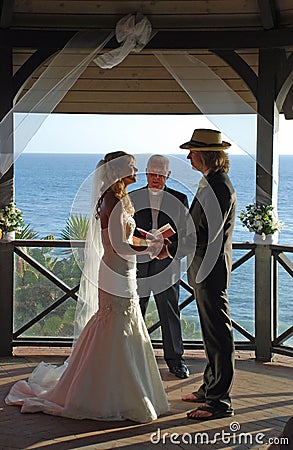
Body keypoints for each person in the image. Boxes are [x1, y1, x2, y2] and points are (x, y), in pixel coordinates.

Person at [5, 151, 169, 423]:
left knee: (123, 322)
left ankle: (122, 386)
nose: (137, 168)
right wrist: (153, 249)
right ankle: (100, 390)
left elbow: (126, 238)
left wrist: (151, 241)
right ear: (118, 170)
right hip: (115, 270)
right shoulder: (112, 200)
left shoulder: (121, 199)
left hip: (125, 269)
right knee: (114, 321)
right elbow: (117, 245)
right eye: (131, 165)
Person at [158, 129, 236, 420]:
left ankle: (219, 403)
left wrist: (170, 246)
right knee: (210, 334)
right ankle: (209, 389)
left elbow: (205, 234)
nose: (188, 155)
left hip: (211, 271)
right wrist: (172, 238)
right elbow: (195, 227)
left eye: (192, 150)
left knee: (219, 336)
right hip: (204, 268)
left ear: (205, 154)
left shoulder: (218, 187)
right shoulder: (211, 183)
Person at [130, 155, 190, 379]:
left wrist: (168, 245)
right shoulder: (133, 197)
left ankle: (176, 361)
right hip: (139, 263)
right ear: (146, 173)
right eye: (152, 173)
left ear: (168, 175)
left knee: (169, 311)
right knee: (137, 311)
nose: (156, 178)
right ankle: (134, 359)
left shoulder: (180, 198)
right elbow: (127, 232)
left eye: (161, 174)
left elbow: (186, 232)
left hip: (167, 264)